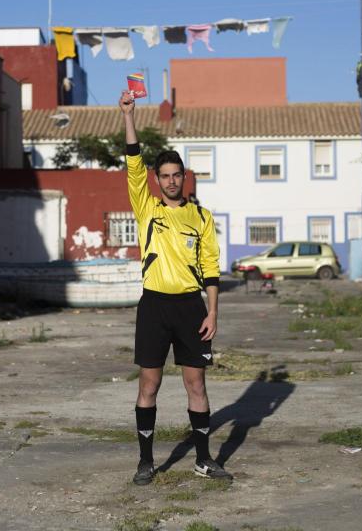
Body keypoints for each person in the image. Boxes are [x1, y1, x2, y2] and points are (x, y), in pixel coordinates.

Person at [119, 90, 232, 486]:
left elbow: (211, 267)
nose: (170, 181)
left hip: (190, 307)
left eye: (176, 175)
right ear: (157, 180)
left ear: (184, 177)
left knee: (196, 383)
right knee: (149, 384)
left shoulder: (201, 217)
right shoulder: (146, 208)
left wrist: (213, 312)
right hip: (154, 306)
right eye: (164, 176)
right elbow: (133, 162)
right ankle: (145, 462)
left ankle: (203, 460)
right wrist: (129, 117)